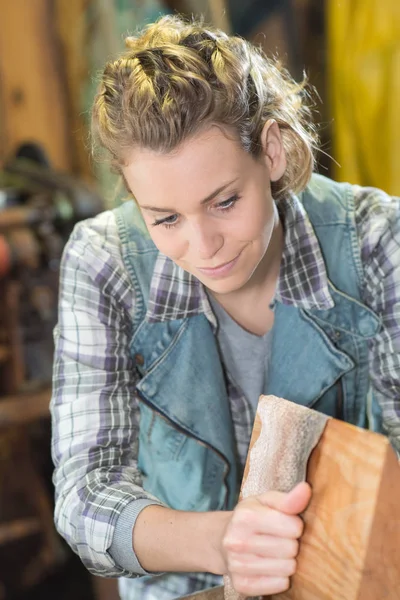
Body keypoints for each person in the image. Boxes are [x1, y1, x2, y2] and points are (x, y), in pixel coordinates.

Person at [50, 14, 400, 600]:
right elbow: (85, 497)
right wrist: (226, 541)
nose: (203, 246)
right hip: (182, 589)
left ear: (271, 151)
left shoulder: (377, 241)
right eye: (165, 219)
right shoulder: (102, 263)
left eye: (225, 201)